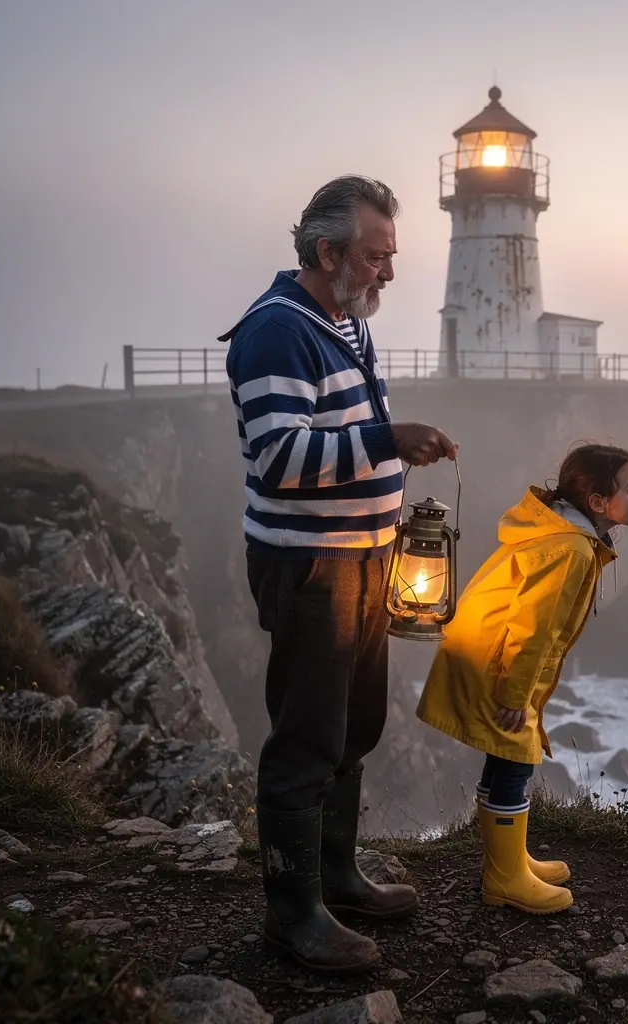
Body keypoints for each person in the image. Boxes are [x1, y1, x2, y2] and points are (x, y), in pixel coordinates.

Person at [220, 176, 458, 974]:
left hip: (363, 559)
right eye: (375, 256)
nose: (389, 271)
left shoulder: (346, 321)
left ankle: (337, 879)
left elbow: (343, 435)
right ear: (327, 252)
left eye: (392, 256)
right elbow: (280, 459)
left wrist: (389, 482)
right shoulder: (274, 333)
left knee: (355, 726)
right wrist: (393, 442)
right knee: (307, 739)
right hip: (311, 566)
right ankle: (292, 916)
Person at [416, 444, 628, 914]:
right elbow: (534, 628)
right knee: (518, 756)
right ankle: (504, 878)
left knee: (505, 754)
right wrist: (517, 694)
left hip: (487, 650)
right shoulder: (572, 549)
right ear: (600, 503)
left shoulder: (560, 530)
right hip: (499, 662)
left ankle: (511, 859)